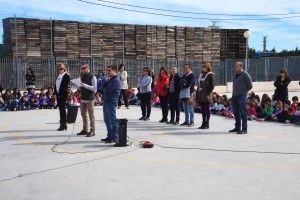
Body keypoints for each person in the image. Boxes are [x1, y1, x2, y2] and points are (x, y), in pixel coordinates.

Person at [229, 61, 253, 134]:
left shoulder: (245, 75)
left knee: (243, 113)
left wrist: (243, 92)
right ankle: (237, 127)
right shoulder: (235, 75)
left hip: (242, 96)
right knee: (236, 112)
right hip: (235, 96)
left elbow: (250, 86)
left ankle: (244, 129)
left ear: (241, 67)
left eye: (237, 66)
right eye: (235, 66)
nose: (235, 67)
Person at [101, 65, 121, 143]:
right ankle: (110, 136)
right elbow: (102, 87)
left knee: (112, 120)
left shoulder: (116, 80)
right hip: (106, 101)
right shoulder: (110, 79)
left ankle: (115, 137)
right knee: (107, 120)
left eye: (109, 70)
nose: (107, 72)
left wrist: (104, 88)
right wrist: (106, 81)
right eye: (107, 70)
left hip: (111, 102)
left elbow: (107, 90)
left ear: (114, 71)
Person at [77, 64, 97, 137]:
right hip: (83, 98)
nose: (82, 69)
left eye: (84, 68)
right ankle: (85, 129)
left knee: (91, 115)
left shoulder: (92, 77)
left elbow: (94, 88)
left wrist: (84, 85)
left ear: (88, 68)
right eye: (82, 68)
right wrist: (78, 90)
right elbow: (80, 86)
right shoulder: (82, 76)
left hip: (90, 99)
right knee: (83, 115)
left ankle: (92, 131)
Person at [196, 62, 214, 129]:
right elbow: (199, 85)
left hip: (207, 95)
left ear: (208, 67)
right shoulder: (201, 75)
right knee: (203, 110)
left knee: (207, 109)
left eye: (205, 67)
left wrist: (207, 93)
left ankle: (207, 123)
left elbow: (212, 86)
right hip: (201, 95)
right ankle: (203, 123)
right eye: (203, 66)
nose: (203, 68)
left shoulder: (210, 75)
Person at [54, 63, 70, 131]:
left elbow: (65, 86)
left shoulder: (66, 76)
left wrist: (61, 94)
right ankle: (63, 124)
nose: (59, 70)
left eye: (61, 69)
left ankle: (63, 124)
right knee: (61, 110)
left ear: (64, 69)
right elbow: (56, 85)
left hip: (62, 95)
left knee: (62, 110)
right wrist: (55, 93)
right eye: (58, 69)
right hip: (58, 95)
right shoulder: (59, 76)